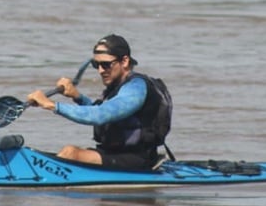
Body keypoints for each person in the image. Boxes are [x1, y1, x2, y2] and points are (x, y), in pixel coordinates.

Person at [26, 34, 172, 170]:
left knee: (70, 153)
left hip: (138, 159)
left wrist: (50, 105)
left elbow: (100, 115)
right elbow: (105, 113)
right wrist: (77, 97)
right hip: (114, 153)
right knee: (68, 152)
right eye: (97, 65)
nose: (101, 71)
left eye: (106, 65)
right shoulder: (117, 86)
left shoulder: (136, 88)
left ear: (125, 61)